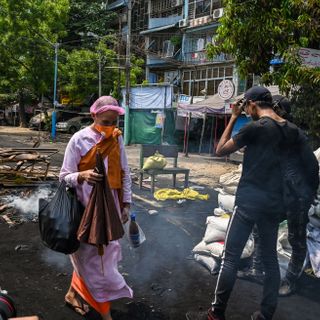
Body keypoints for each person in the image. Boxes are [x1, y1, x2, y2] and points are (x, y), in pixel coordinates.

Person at [186, 86, 313, 320]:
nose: (247, 111)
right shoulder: (294, 131)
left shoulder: (255, 127)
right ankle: (265, 314)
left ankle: (216, 314)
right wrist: (298, 201)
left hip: (248, 204)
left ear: (252, 104)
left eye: (246, 107)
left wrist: (234, 115)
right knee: (270, 260)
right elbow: (312, 169)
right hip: (274, 207)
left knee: (230, 258)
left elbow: (220, 150)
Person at [237, 95, 319, 296]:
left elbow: (311, 166)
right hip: (278, 194)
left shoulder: (292, 134)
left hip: (296, 196)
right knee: (259, 227)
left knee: (296, 238)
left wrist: (306, 195)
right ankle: (257, 269)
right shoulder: (271, 132)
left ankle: (290, 280)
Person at [60, 96, 133, 320]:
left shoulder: (116, 138)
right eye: (105, 121)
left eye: (114, 122)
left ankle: (74, 294)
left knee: (96, 262)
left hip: (110, 212)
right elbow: (63, 177)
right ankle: (105, 314)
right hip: (84, 214)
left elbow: (124, 173)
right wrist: (81, 175)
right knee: (100, 270)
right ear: (94, 116)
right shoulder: (78, 139)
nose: (110, 127)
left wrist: (127, 203)